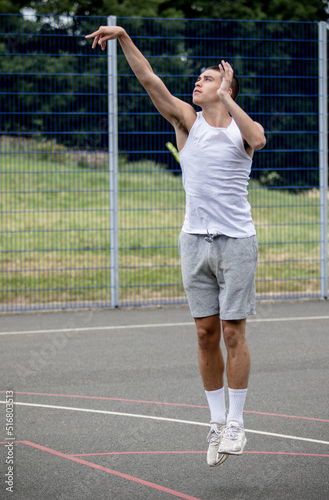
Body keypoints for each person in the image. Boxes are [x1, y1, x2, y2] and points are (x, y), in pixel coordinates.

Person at [86, 25, 266, 467]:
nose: (196, 84)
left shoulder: (240, 128)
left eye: (206, 79)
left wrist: (226, 97)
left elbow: (258, 140)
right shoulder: (188, 120)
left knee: (232, 332)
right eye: (199, 80)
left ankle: (238, 425)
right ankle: (217, 422)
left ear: (225, 87)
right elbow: (150, 80)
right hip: (194, 241)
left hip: (236, 242)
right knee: (206, 334)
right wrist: (125, 36)